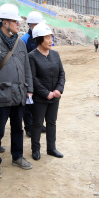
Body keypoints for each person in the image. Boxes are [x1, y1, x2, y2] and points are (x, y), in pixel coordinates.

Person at [0, 4, 33, 179]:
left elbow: (26, 68)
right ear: (4, 22)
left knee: (18, 128)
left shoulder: (19, 43)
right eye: (15, 21)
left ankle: (17, 157)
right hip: (0, 95)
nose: (18, 24)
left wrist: (29, 90)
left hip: (19, 94)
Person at [28, 23, 65, 160]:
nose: (51, 40)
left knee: (51, 122)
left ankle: (51, 148)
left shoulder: (55, 54)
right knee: (37, 124)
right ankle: (35, 150)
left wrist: (58, 90)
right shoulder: (32, 56)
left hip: (55, 97)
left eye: (51, 37)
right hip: (40, 98)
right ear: (39, 39)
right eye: (47, 37)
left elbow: (61, 73)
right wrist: (46, 93)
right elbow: (32, 78)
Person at [21, 11, 45, 139]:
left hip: (39, 75)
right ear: (32, 25)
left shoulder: (40, 38)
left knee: (38, 103)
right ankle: (29, 127)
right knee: (28, 103)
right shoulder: (24, 40)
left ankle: (38, 124)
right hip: (28, 76)